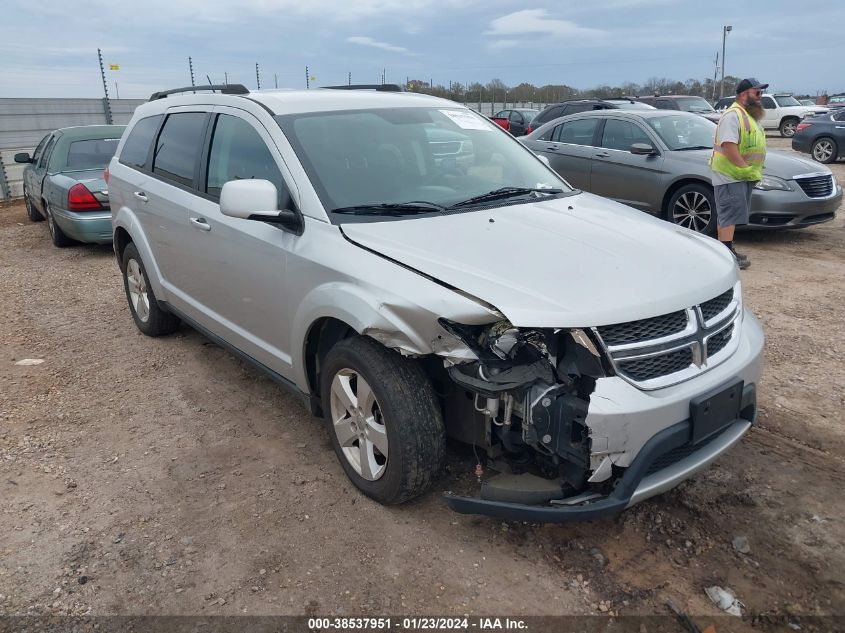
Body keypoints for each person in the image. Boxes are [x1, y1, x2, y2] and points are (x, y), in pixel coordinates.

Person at [709, 78, 768, 270]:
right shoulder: (733, 115)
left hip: (741, 175)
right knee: (728, 215)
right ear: (744, 94)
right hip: (730, 174)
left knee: (732, 215)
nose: (760, 97)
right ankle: (726, 256)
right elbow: (729, 146)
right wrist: (744, 167)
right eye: (757, 93)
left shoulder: (748, 115)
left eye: (761, 93)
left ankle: (727, 250)